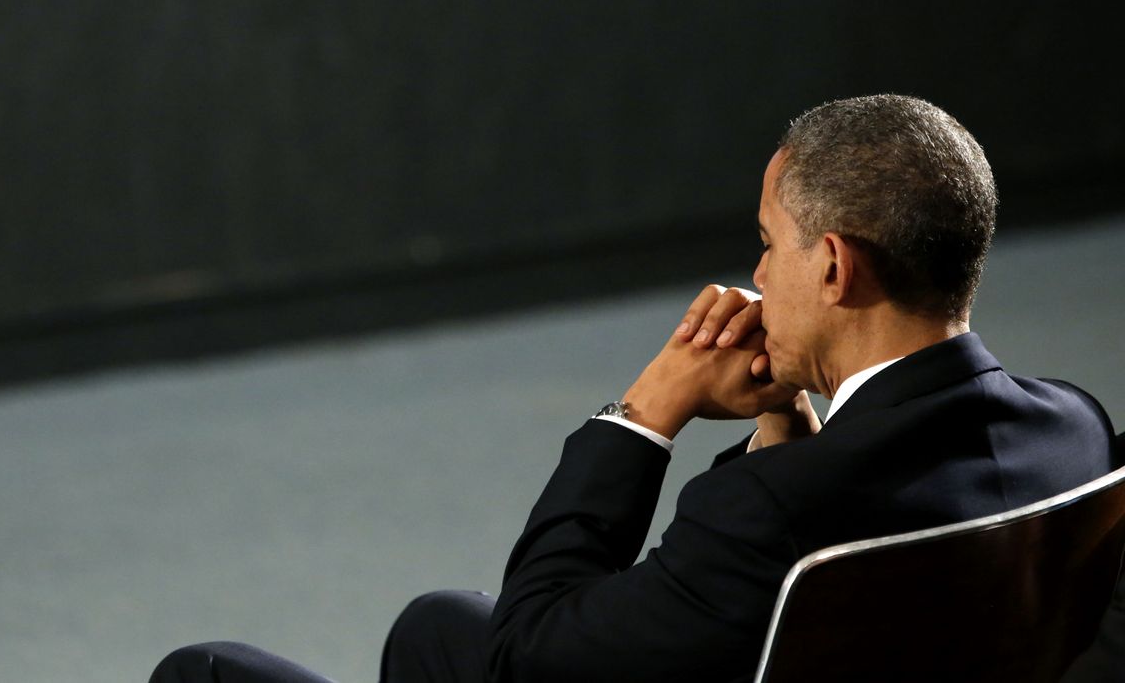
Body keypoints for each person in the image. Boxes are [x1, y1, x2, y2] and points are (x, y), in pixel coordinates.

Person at [150, 95, 1117, 683]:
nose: (756, 270)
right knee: (438, 625)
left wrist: (646, 412)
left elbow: (527, 656)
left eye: (770, 242)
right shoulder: (1073, 428)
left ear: (832, 267)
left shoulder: (768, 518)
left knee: (206, 678)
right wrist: (787, 412)